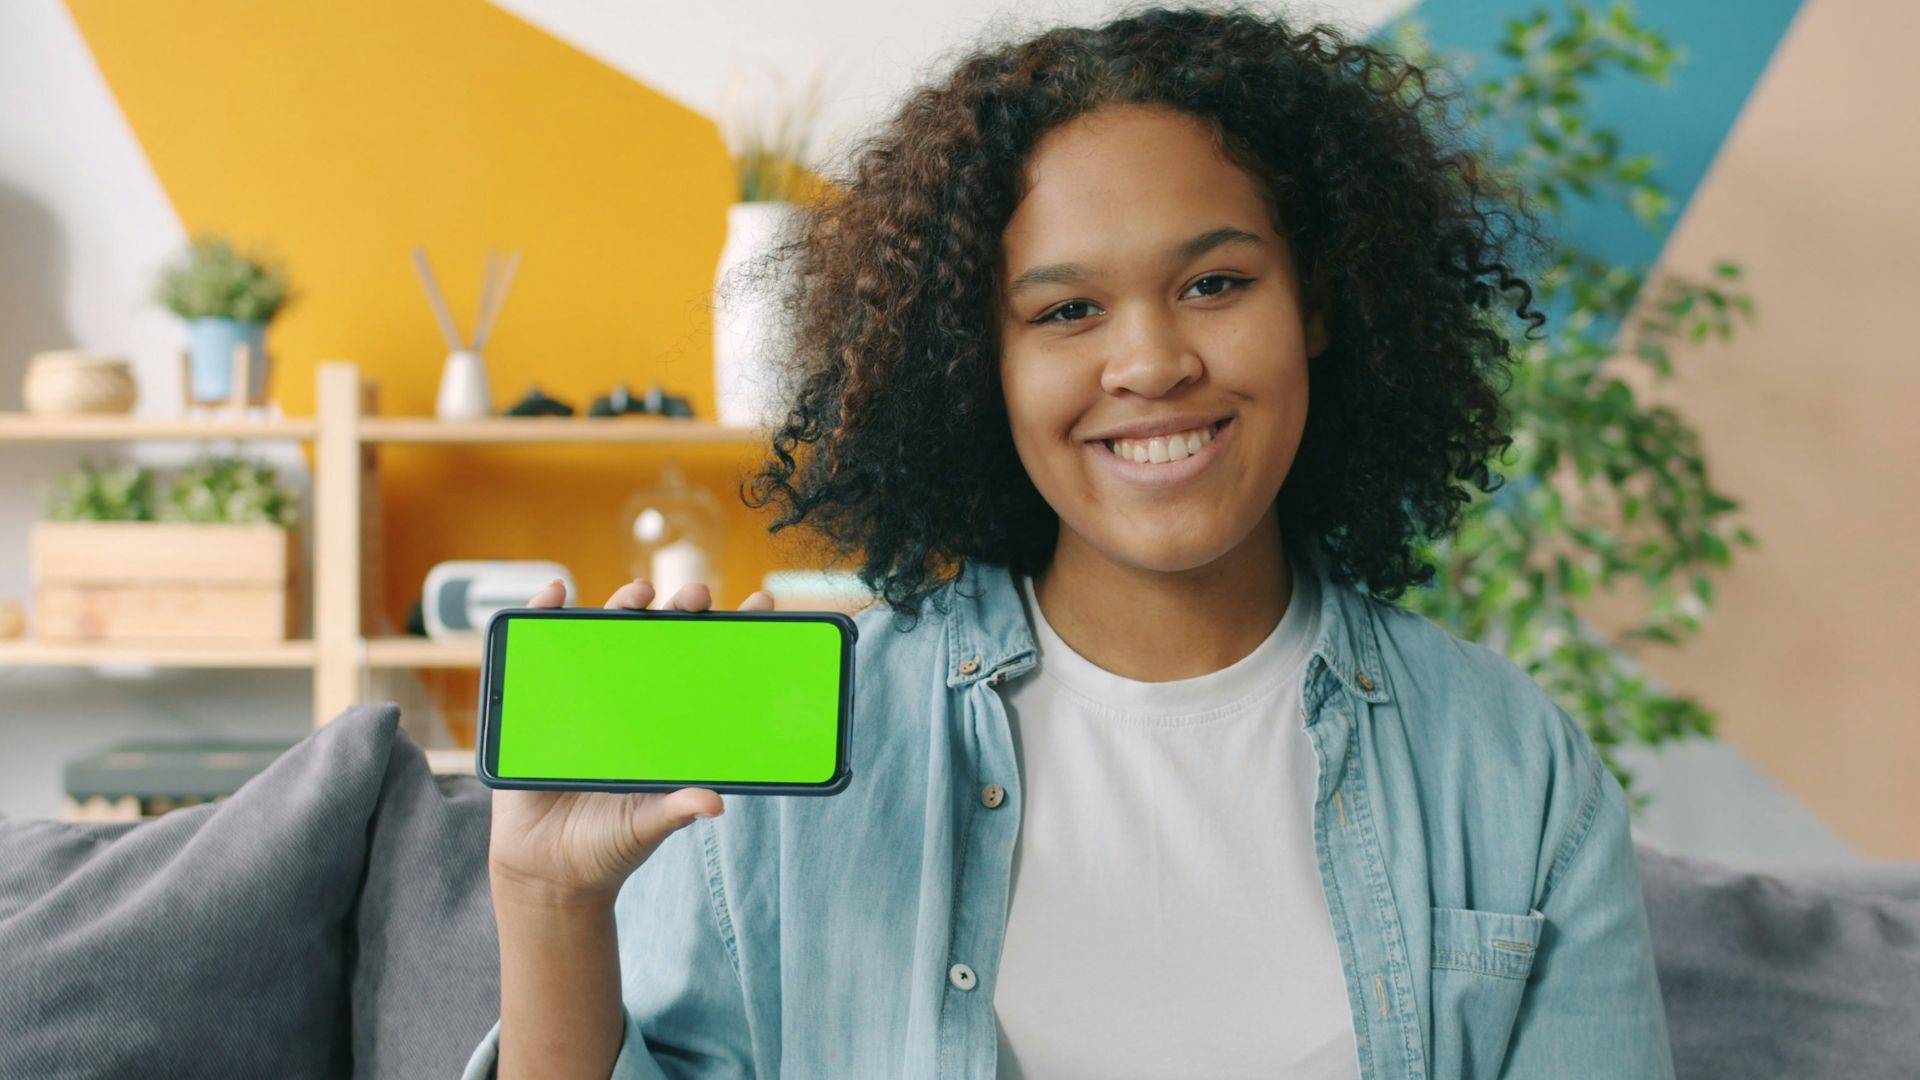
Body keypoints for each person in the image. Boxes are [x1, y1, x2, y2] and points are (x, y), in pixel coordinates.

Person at [467, 5, 1674, 1078]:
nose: (1150, 362)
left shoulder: (1514, 771)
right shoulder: (805, 764)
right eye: (1067, 311)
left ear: (1318, 304)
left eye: (1214, 285)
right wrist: (548, 904)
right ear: (974, 366)